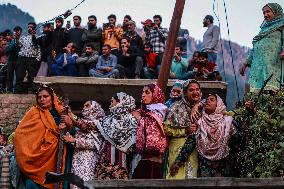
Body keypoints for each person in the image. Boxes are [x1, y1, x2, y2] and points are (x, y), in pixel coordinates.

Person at [14, 86, 73, 188]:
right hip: (39, 156)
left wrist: (69, 124)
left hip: (57, 153)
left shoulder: (62, 111)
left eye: (45, 96)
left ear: (52, 97)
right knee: (33, 183)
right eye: (39, 97)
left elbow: (73, 132)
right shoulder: (33, 112)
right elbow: (20, 133)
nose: (42, 99)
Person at [170, 94, 239, 177]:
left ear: (219, 105)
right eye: (207, 100)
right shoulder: (200, 123)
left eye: (212, 100)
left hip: (225, 168)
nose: (208, 101)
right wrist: (178, 162)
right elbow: (190, 143)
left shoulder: (228, 123)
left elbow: (237, 144)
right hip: (205, 169)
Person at [240, 3, 284, 91]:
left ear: (276, 12)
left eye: (268, 12)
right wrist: (246, 63)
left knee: (270, 90)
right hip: (258, 65)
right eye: (263, 13)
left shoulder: (282, 26)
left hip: (273, 63)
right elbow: (255, 47)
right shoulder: (263, 30)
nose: (265, 15)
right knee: (256, 93)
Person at [63, 100, 105, 188]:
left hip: (89, 158)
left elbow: (94, 143)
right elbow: (80, 126)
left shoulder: (100, 123)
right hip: (77, 157)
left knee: (86, 182)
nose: (84, 108)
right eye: (83, 106)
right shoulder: (83, 123)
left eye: (87, 106)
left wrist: (75, 141)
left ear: (94, 108)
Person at [95, 92, 138, 179]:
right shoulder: (107, 120)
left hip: (121, 166)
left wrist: (120, 147)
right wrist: (74, 118)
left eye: (112, 101)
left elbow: (132, 146)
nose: (110, 104)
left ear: (120, 102)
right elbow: (90, 125)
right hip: (104, 165)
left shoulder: (131, 120)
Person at [164, 79, 201, 179]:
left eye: (197, 89)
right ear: (184, 92)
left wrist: (198, 105)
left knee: (191, 179)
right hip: (177, 149)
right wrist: (185, 131)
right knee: (175, 178)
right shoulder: (175, 107)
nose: (195, 92)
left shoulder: (203, 107)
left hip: (194, 151)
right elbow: (166, 129)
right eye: (191, 90)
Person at [133, 83, 168, 179]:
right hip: (145, 160)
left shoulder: (159, 112)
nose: (143, 95)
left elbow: (152, 135)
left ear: (155, 95)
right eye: (142, 92)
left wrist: (138, 118)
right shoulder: (146, 112)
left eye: (147, 92)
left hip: (153, 162)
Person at [15, 22, 41, 94]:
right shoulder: (23, 37)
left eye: (31, 27)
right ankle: (17, 91)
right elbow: (18, 46)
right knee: (20, 75)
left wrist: (37, 59)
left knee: (31, 76)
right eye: (28, 27)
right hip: (22, 58)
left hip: (32, 59)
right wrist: (17, 38)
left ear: (34, 28)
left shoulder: (37, 37)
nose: (29, 28)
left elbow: (39, 49)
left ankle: (32, 91)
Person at [5, 27, 21, 93]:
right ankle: (9, 90)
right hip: (10, 61)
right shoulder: (9, 42)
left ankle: (17, 89)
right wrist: (13, 41)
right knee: (9, 76)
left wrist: (16, 40)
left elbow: (19, 49)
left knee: (18, 76)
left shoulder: (20, 40)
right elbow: (8, 50)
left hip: (17, 60)